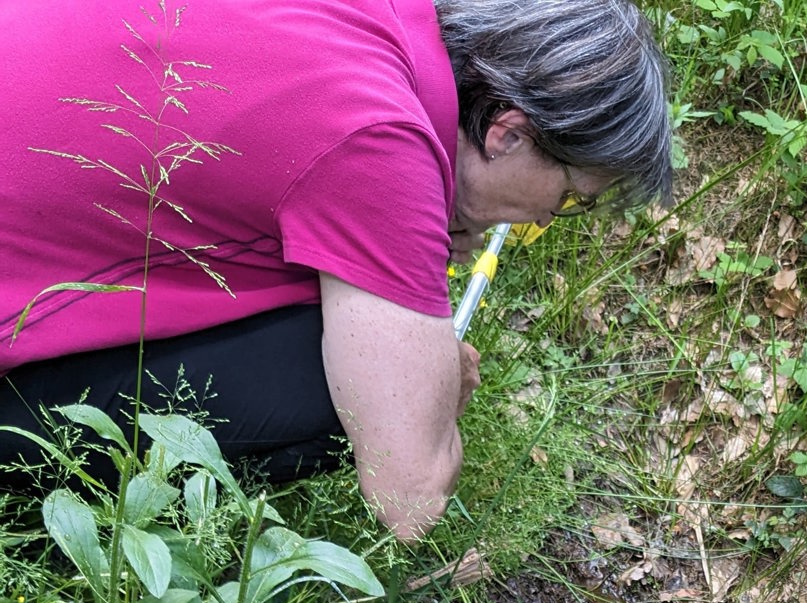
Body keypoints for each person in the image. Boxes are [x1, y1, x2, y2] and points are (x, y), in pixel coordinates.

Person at [0, 0, 671, 538]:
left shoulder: (376, 23)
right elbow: (409, 500)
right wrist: (439, 385)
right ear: (509, 133)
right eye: (570, 197)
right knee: (346, 396)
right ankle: (90, 548)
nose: (549, 217)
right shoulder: (381, 139)